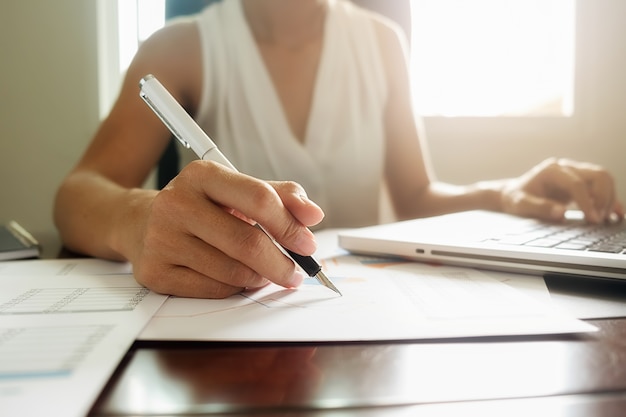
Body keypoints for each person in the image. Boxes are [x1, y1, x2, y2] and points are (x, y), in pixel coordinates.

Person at [54, 0, 623, 299]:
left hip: (367, 319)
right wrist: (138, 218)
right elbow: (78, 195)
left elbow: (416, 195)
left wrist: (502, 192)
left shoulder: (381, 42)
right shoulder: (180, 48)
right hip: (229, 326)